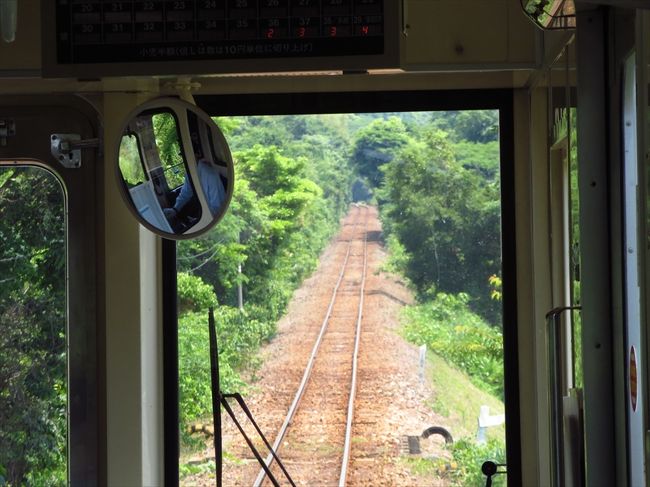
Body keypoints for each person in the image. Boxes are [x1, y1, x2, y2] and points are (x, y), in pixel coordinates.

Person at [164, 159, 226, 231]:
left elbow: (217, 207)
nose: (183, 159)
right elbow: (186, 192)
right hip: (201, 211)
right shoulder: (190, 172)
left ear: (196, 155)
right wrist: (175, 209)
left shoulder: (211, 175)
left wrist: (199, 221)